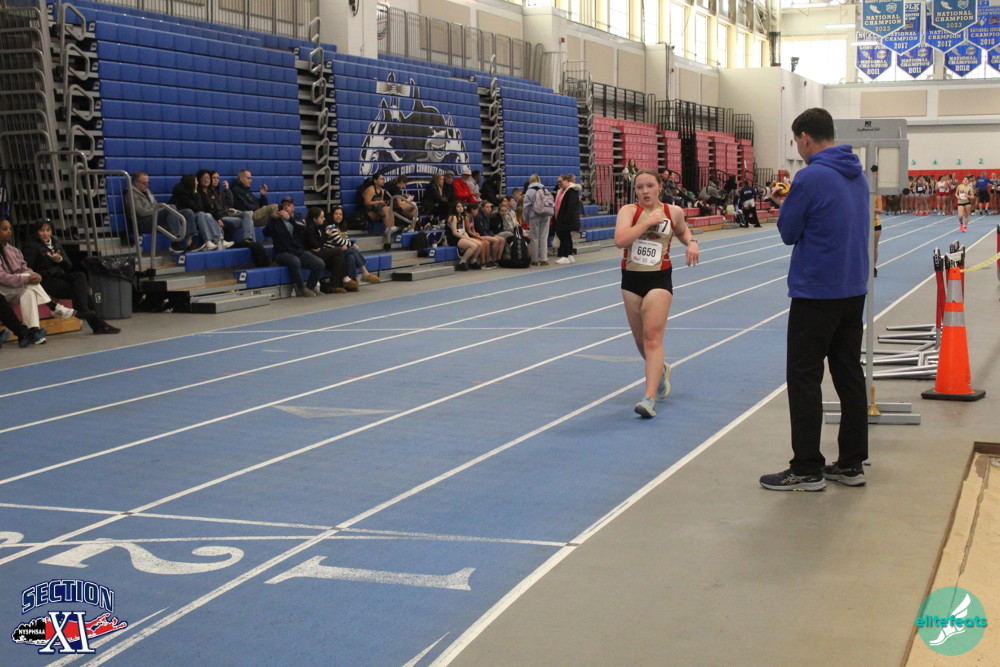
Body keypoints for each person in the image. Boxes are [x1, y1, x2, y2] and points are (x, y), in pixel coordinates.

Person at [760, 107, 869, 492]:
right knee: (849, 373)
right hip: (853, 288)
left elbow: (789, 232)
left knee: (804, 376)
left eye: (796, 141)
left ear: (805, 137)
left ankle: (807, 467)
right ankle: (852, 463)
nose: (798, 148)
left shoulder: (810, 176)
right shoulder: (857, 174)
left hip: (817, 291)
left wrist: (783, 204)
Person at [614, 170, 699, 419]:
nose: (645, 191)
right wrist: (647, 222)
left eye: (650, 185)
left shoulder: (673, 211)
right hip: (631, 280)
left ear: (660, 187)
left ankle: (649, 398)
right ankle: (660, 369)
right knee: (640, 341)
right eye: (640, 187)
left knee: (652, 339)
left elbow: (682, 231)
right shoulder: (629, 211)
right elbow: (620, 240)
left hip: (659, 279)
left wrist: (692, 242)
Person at [22, 220, 120, 334]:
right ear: (36, 232)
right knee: (81, 293)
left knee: (80, 276)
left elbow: (68, 266)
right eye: (42, 230)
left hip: (59, 276)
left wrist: (59, 259)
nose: (45, 233)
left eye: (48, 230)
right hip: (45, 280)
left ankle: (85, 311)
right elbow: (28, 268)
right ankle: (98, 324)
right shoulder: (31, 245)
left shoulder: (55, 241)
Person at [0, 219, 77, 343]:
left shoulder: (14, 251)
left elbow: (25, 267)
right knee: (27, 279)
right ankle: (53, 306)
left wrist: (35, 275)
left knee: (29, 292)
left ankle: (34, 331)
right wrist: (26, 278)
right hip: (2, 289)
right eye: (5, 229)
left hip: (16, 288)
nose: (9, 231)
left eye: (9, 229)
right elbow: (2, 277)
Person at [264, 197, 325, 297]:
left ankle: (310, 287)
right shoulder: (276, 221)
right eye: (284, 205)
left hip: (298, 251)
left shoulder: (298, 217)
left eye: (289, 205)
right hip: (282, 253)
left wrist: (290, 219)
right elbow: (266, 233)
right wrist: (272, 219)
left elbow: (302, 227)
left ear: (293, 207)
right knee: (295, 261)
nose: (286, 207)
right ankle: (300, 288)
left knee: (319, 263)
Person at [123, 171, 194, 251]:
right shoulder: (131, 194)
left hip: (154, 217)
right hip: (143, 222)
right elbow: (140, 212)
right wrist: (157, 210)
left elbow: (155, 204)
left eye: (147, 182)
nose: (147, 185)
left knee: (187, 212)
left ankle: (190, 241)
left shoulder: (147, 191)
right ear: (136, 182)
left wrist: (159, 209)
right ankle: (176, 241)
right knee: (170, 208)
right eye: (144, 183)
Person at [322, 206, 379, 290]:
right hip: (331, 252)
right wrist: (352, 244)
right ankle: (364, 272)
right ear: (332, 215)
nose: (338, 216)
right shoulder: (331, 227)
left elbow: (345, 241)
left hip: (340, 251)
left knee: (351, 256)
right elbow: (340, 242)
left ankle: (351, 280)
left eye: (340, 214)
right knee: (352, 249)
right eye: (336, 214)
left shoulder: (342, 228)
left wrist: (348, 245)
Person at [303, 207, 347, 294]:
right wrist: (326, 235)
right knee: (339, 251)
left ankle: (335, 285)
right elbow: (316, 245)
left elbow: (318, 244)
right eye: (322, 217)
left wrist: (319, 244)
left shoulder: (317, 227)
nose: (324, 219)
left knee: (337, 259)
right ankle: (345, 277)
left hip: (318, 251)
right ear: (315, 218)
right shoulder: (308, 229)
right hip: (310, 254)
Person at [208, 170, 254, 242]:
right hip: (221, 217)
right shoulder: (208, 193)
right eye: (214, 178)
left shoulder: (219, 192)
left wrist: (227, 190)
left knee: (247, 214)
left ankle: (248, 239)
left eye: (217, 178)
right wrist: (218, 218)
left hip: (227, 214)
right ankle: (250, 241)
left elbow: (229, 204)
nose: (216, 180)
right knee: (249, 222)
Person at [443, 200, 481, 271]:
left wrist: (468, 238)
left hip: (461, 236)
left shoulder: (462, 217)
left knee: (479, 244)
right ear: (454, 208)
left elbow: (463, 230)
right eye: (458, 206)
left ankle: (473, 261)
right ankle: (462, 262)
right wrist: (467, 238)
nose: (460, 208)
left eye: (461, 206)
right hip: (454, 238)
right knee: (473, 246)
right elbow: (454, 232)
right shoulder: (453, 217)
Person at [552, 174, 581, 264]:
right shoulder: (561, 191)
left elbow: (571, 207)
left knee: (564, 237)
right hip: (561, 218)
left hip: (567, 219)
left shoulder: (572, 191)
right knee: (567, 237)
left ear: (566, 181)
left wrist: (565, 219)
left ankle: (565, 256)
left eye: (561, 181)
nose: (559, 183)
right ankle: (569, 255)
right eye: (558, 182)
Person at [523, 174, 550, 266]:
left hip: (533, 215)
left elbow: (526, 207)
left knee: (534, 238)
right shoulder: (544, 189)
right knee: (543, 237)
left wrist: (526, 219)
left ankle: (534, 259)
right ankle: (544, 259)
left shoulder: (529, 191)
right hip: (545, 215)